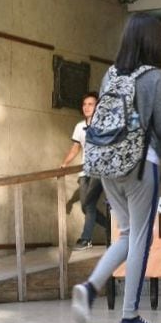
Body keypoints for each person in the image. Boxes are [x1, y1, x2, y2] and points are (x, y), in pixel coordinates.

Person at [71, 13, 161, 323]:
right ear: (153, 41)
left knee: (125, 234)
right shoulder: (157, 77)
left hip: (107, 166)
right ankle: (130, 316)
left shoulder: (110, 74)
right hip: (139, 165)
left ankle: (91, 287)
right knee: (140, 238)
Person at [62, 92, 108, 249]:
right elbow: (75, 148)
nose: (87, 107)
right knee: (85, 206)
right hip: (84, 172)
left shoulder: (103, 124)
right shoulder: (79, 126)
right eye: (85, 104)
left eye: (91, 104)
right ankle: (112, 226)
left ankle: (86, 239)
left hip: (99, 171)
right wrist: (65, 164)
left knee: (89, 203)